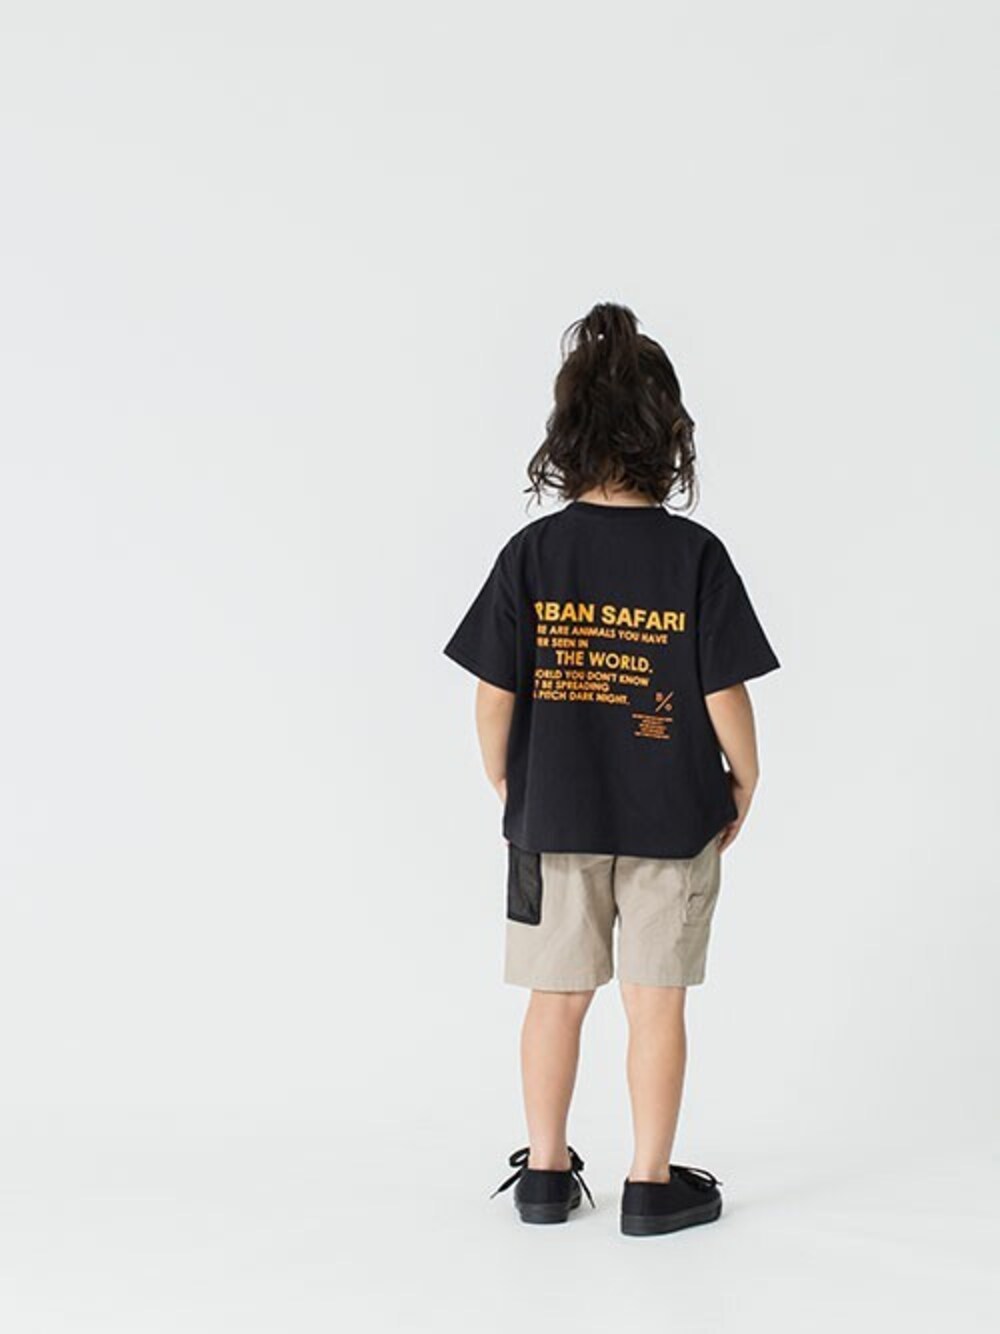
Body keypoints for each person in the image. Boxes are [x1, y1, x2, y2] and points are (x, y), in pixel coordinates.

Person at [441, 301, 781, 1237]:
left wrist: (507, 782)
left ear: (568, 432)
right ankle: (648, 1184)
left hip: (555, 817)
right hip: (674, 813)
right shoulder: (694, 556)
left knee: (555, 999)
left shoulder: (533, 554)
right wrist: (745, 778)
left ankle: (546, 1176)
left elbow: (493, 695)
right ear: (668, 434)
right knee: (655, 1004)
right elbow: (723, 692)